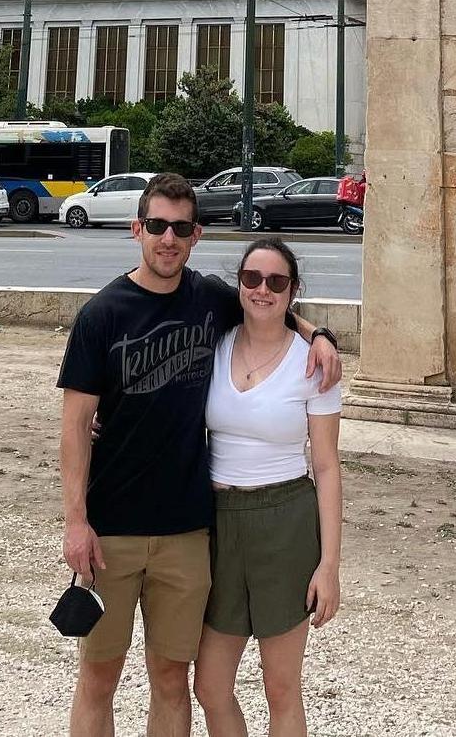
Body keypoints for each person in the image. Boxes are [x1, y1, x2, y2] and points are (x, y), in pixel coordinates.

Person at [57, 172, 342, 737]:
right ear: (137, 228)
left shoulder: (209, 299)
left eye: (180, 227)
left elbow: (272, 305)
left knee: (172, 677)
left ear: (196, 235)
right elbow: (72, 428)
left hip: (189, 531)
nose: (168, 238)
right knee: (98, 676)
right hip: (112, 526)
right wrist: (75, 522)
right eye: (157, 225)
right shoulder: (102, 315)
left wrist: (322, 333)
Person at [194, 239, 341, 737]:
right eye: (252, 279)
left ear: (293, 290)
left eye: (276, 282)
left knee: (281, 689)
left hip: (285, 520)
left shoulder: (315, 364)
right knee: (210, 687)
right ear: (238, 284)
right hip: (218, 520)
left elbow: (326, 466)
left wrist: (329, 565)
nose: (262, 290)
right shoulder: (214, 343)